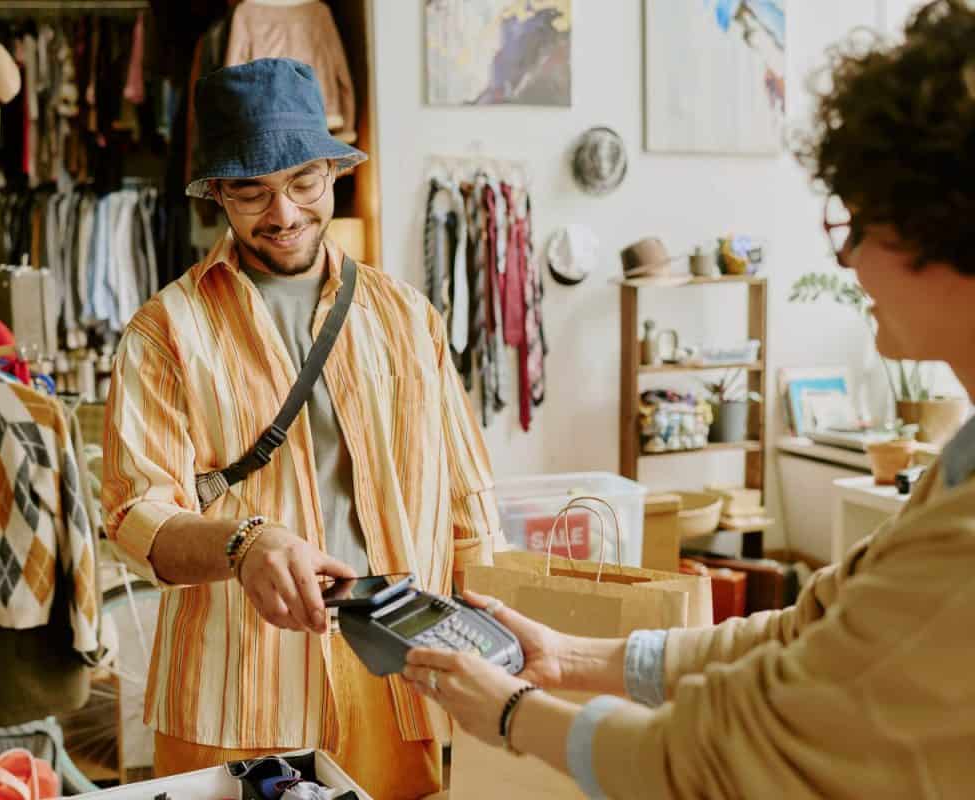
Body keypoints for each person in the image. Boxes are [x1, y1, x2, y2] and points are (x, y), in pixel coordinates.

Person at [404, 3, 975, 797]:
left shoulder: (961, 545)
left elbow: (720, 760)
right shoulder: (959, 463)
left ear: (948, 231)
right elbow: (808, 630)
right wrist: (572, 657)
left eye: (859, 225)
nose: (845, 260)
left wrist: (511, 714)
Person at [102, 58, 500, 799]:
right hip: (231, 687)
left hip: (394, 672)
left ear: (332, 171)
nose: (282, 213)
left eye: (302, 182)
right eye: (251, 190)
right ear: (216, 193)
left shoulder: (407, 317)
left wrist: (499, 655)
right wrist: (243, 545)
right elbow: (134, 515)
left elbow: (469, 505)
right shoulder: (164, 332)